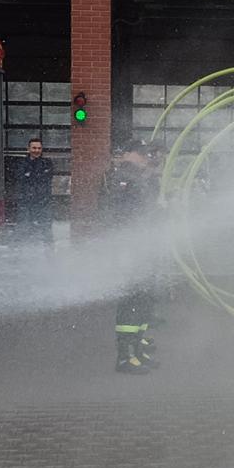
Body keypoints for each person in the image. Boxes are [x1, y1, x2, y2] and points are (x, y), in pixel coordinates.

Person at [102, 141, 162, 374]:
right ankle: (125, 357)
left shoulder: (139, 177)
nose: (145, 157)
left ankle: (136, 350)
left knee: (142, 299)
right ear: (127, 154)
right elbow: (116, 214)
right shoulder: (123, 177)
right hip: (129, 250)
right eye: (140, 153)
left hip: (142, 249)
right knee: (130, 301)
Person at [15, 138, 56, 249]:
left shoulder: (47, 163)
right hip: (25, 202)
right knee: (23, 228)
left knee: (46, 230)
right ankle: (21, 252)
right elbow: (20, 178)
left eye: (39, 148)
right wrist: (36, 176)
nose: (36, 150)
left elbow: (46, 178)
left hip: (43, 202)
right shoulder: (21, 163)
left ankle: (49, 253)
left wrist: (30, 175)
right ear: (28, 149)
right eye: (34, 148)